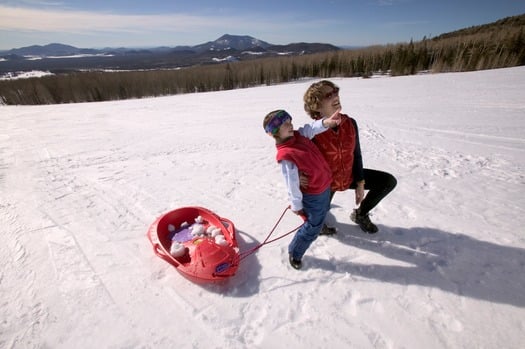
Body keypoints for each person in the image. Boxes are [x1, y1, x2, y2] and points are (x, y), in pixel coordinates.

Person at [303, 80, 397, 234]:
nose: (335, 96)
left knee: (387, 182)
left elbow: (356, 154)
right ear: (317, 106)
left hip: (349, 175)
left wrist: (360, 182)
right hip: (327, 183)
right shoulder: (312, 133)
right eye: (329, 95)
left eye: (335, 91)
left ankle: (360, 214)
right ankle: (317, 219)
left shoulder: (350, 123)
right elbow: (302, 164)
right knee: (316, 217)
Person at [263, 109, 341, 270]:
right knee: (312, 225)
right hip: (313, 194)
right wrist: (297, 206)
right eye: (285, 124)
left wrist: (326, 122)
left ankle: (321, 225)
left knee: (323, 211)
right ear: (275, 132)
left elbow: (311, 129)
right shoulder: (286, 155)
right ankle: (295, 252)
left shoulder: (299, 136)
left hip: (323, 186)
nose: (290, 125)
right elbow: (291, 183)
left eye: (290, 121)